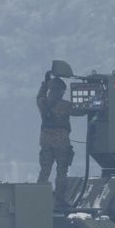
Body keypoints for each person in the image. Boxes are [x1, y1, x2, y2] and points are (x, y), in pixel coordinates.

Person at [36, 71, 90, 201]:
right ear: (59, 91)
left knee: (44, 171)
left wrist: (45, 83)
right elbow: (81, 111)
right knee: (62, 173)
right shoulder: (65, 105)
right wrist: (93, 104)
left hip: (46, 142)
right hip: (61, 143)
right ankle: (60, 199)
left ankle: (38, 198)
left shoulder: (42, 103)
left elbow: (39, 95)